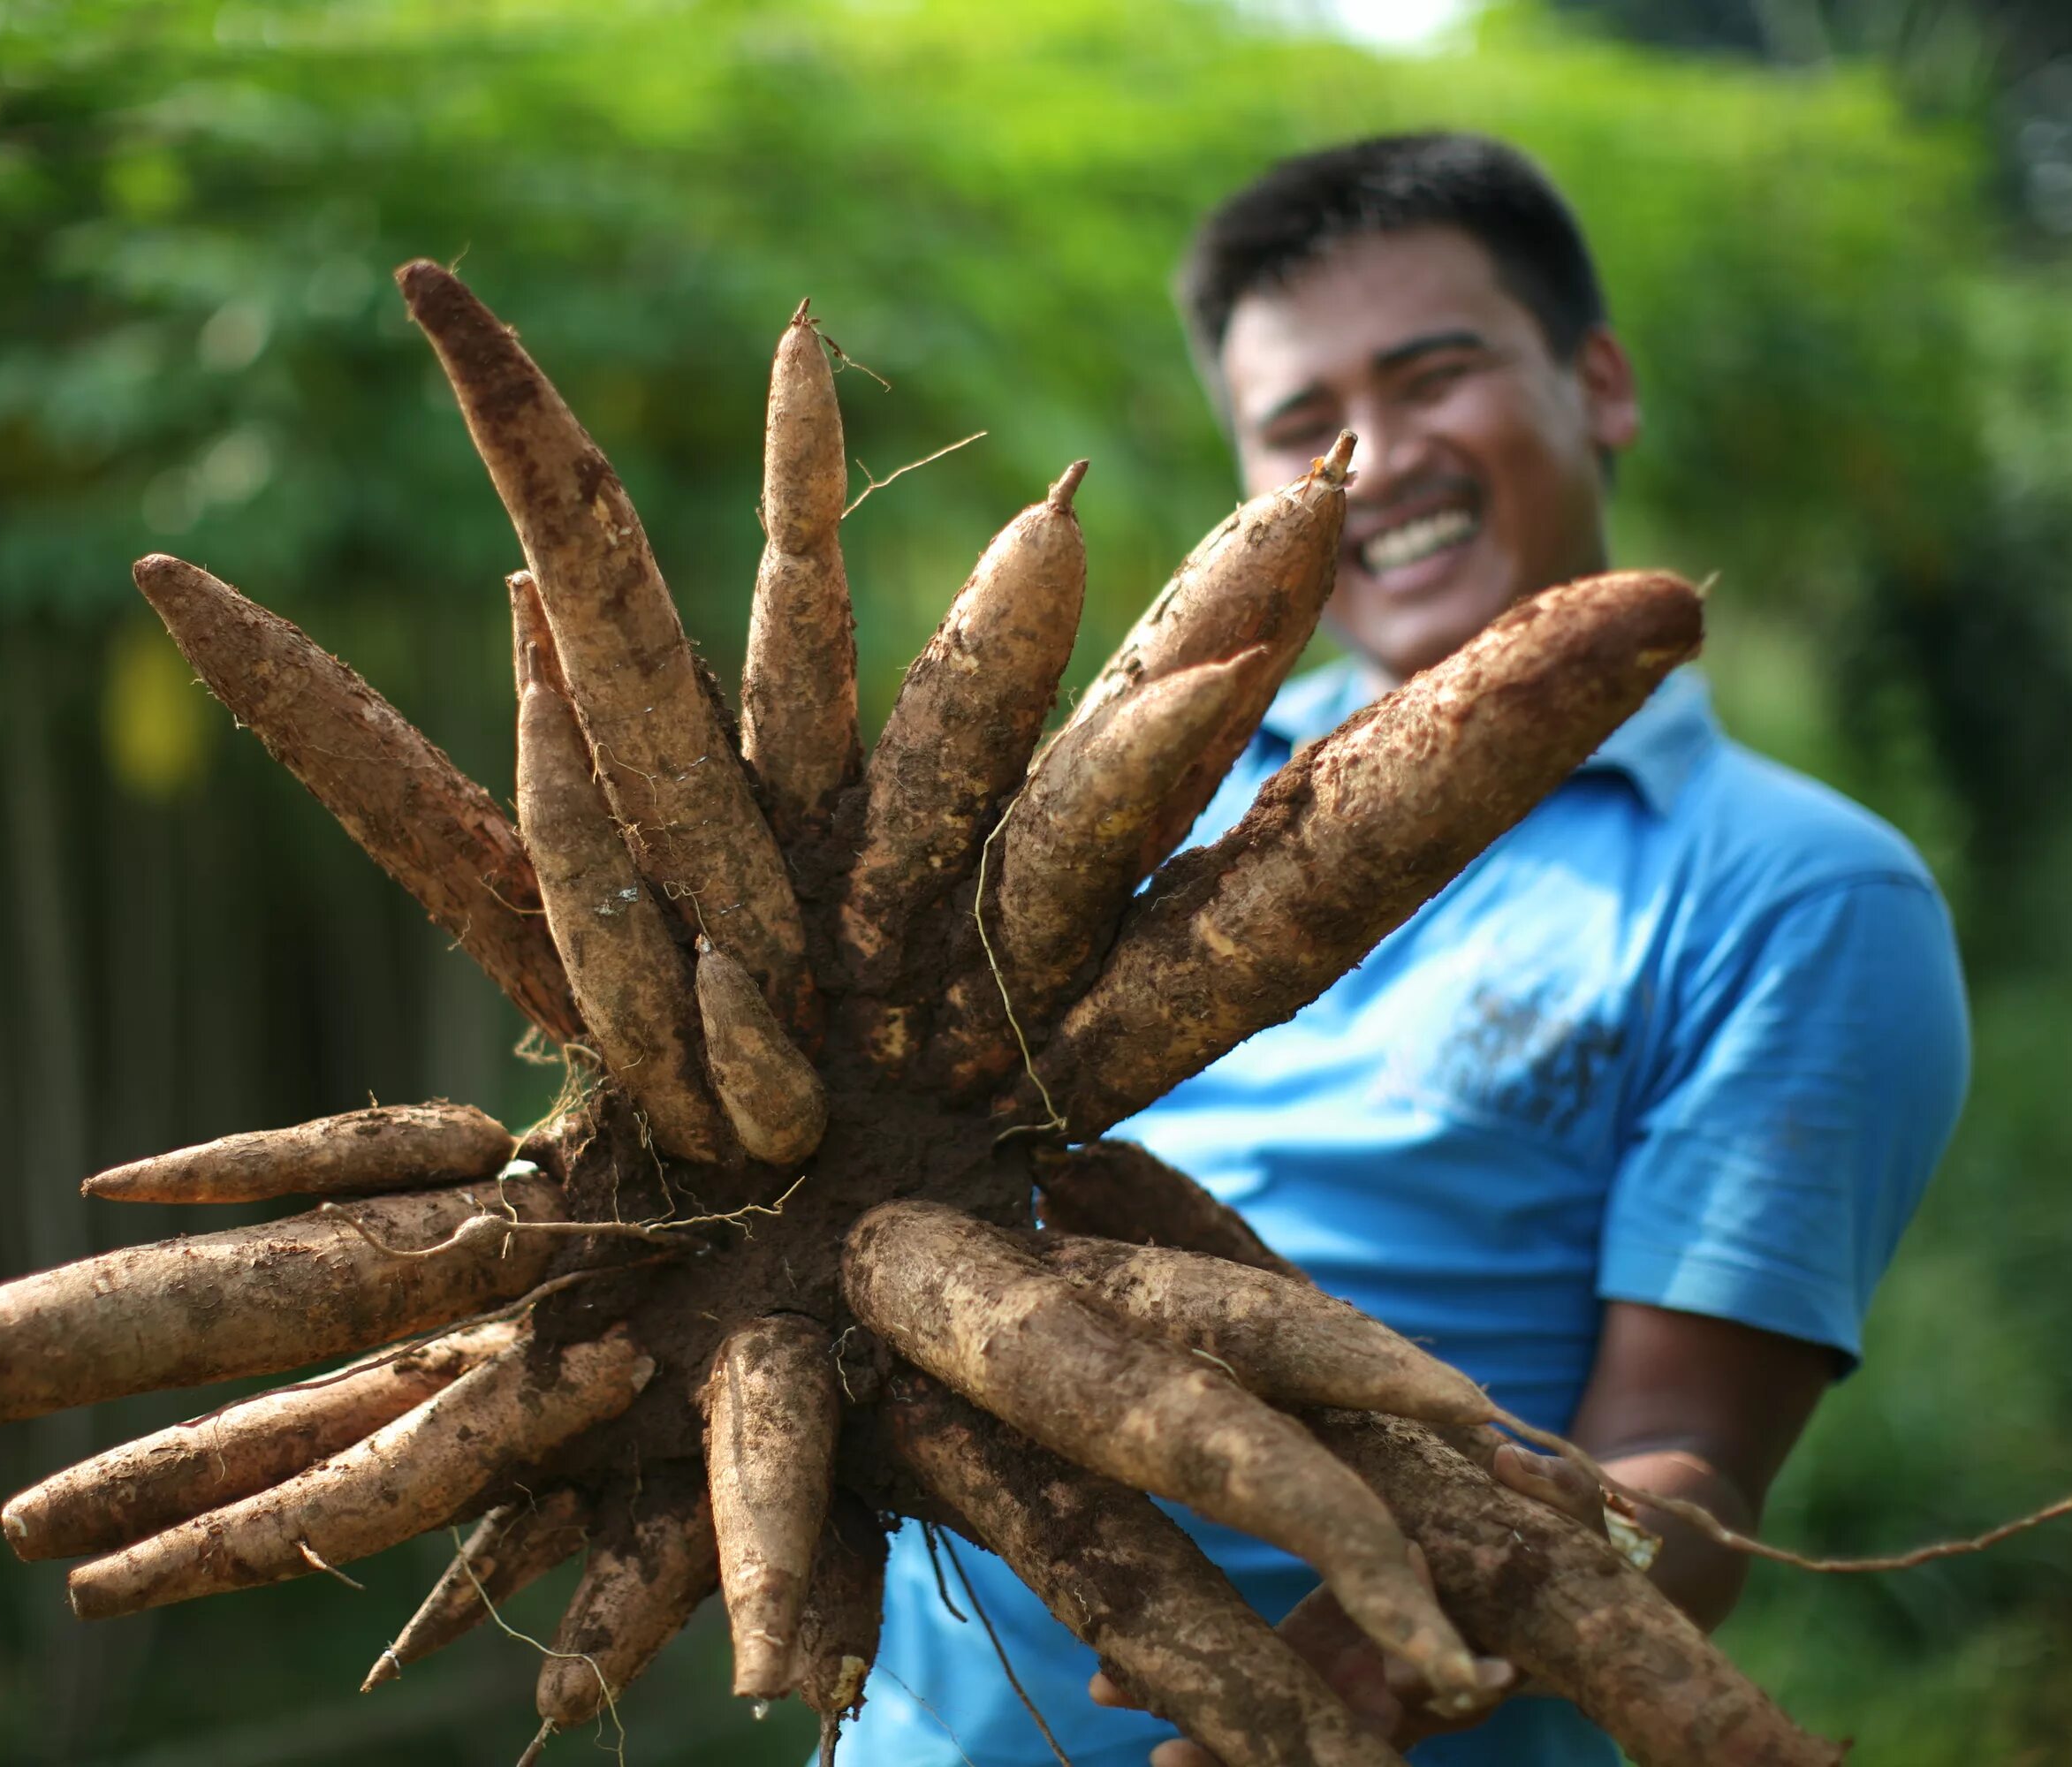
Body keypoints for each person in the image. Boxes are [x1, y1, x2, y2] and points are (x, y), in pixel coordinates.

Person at [837, 132, 1973, 1766]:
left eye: (1438, 376)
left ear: (1600, 384)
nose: (1380, 457)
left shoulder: (1796, 893)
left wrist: (1505, 1588)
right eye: (1305, 427)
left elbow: (1684, 1458)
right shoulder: (1127, 798)